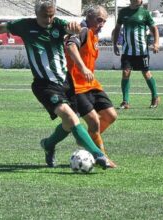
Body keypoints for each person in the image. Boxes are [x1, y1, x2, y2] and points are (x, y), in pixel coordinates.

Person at [0, 0, 114, 169]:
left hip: (65, 81)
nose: (49, 19)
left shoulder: (58, 24)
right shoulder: (25, 26)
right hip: (43, 84)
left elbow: (71, 28)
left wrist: (74, 28)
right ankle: (99, 156)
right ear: (36, 14)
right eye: (45, 16)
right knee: (70, 117)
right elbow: (0, 28)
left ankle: (48, 144)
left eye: (51, 15)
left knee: (68, 124)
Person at [65, 6, 117, 166]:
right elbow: (70, 46)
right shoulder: (83, 31)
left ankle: (87, 141)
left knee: (110, 116)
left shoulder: (94, 35)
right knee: (94, 121)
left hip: (91, 84)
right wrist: (82, 67)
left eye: (104, 21)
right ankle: (102, 156)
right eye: (99, 20)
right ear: (89, 17)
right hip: (76, 86)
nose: (101, 24)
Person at [112, 0, 160, 109]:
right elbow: (118, 28)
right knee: (125, 72)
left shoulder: (145, 13)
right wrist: (114, 44)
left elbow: (154, 29)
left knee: (146, 73)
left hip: (142, 51)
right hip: (127, 51)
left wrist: (156, 43)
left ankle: (155, 96)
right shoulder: (123, 12)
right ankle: (125, 101)